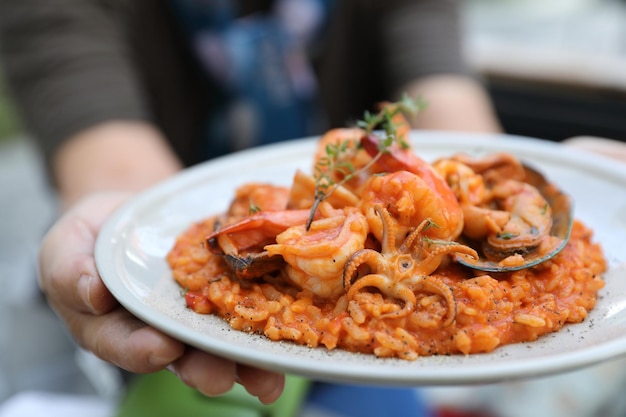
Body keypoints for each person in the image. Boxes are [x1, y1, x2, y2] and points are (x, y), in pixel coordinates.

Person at [6, 0, 609, 414]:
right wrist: (124, 223)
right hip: (191, 331)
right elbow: (107, 148)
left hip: (390, 320)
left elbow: (440, 83)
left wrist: (501, 183)